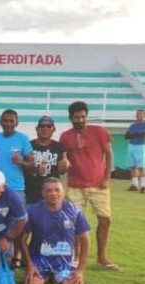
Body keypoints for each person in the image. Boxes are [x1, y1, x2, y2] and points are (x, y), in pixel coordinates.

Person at [59, 100, 119, 271]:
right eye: (76, 117)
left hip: (98, 185)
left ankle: (102, 258)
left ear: (86, 116)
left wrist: (107, 178)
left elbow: (109, 154)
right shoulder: (65, 136)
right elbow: (64, 161)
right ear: (70, 117)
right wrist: (64, 165)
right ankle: (75, 257)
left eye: (82, 117)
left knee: (105, 220)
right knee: (73, 222)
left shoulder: (99, 131)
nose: (80, 120)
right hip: (75, 185)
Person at [20, 177, 90, 284]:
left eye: (57, 190)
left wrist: (79, 270)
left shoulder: (75, 211)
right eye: (49, 191)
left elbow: (85, 241)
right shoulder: (32, 211)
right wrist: (29, 265)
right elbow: (22, 241)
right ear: (43, 193)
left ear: (63, 192)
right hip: (40, 260)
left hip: (64, 262)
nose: (53, 193)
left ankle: (58, 277)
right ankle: (47, 276)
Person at [0, 109, 34, 268]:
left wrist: (21, 162)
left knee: (19, 224)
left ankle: (16, 255)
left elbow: (32, 164)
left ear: (16, 123)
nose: (8, 124)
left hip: (16, 188)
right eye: (6, 120)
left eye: (11, 121)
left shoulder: (23, 139)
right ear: (0, 122)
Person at [24, 116, 69, 204]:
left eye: (49, 126)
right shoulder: (29, 145)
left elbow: (62, 171)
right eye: (42, 126)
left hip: (52, 193)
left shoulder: (59, 147)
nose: (45, 129)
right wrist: (35, 169)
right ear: (37, 128)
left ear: (54, 129)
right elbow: (23, 169)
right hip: (31, 191)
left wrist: (65, 166)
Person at [124, 109, 145, 193]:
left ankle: (143, 186)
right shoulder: (133, 125)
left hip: (140, 146)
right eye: (137, 114)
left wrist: (133, 135)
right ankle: (134, 185)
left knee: (141, 166)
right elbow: (127, 136)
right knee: (132, 166)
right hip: (131, 145)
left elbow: (143, 135)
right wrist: (136, 135)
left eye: (140, 114)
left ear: (144, 116)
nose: (138, 115)